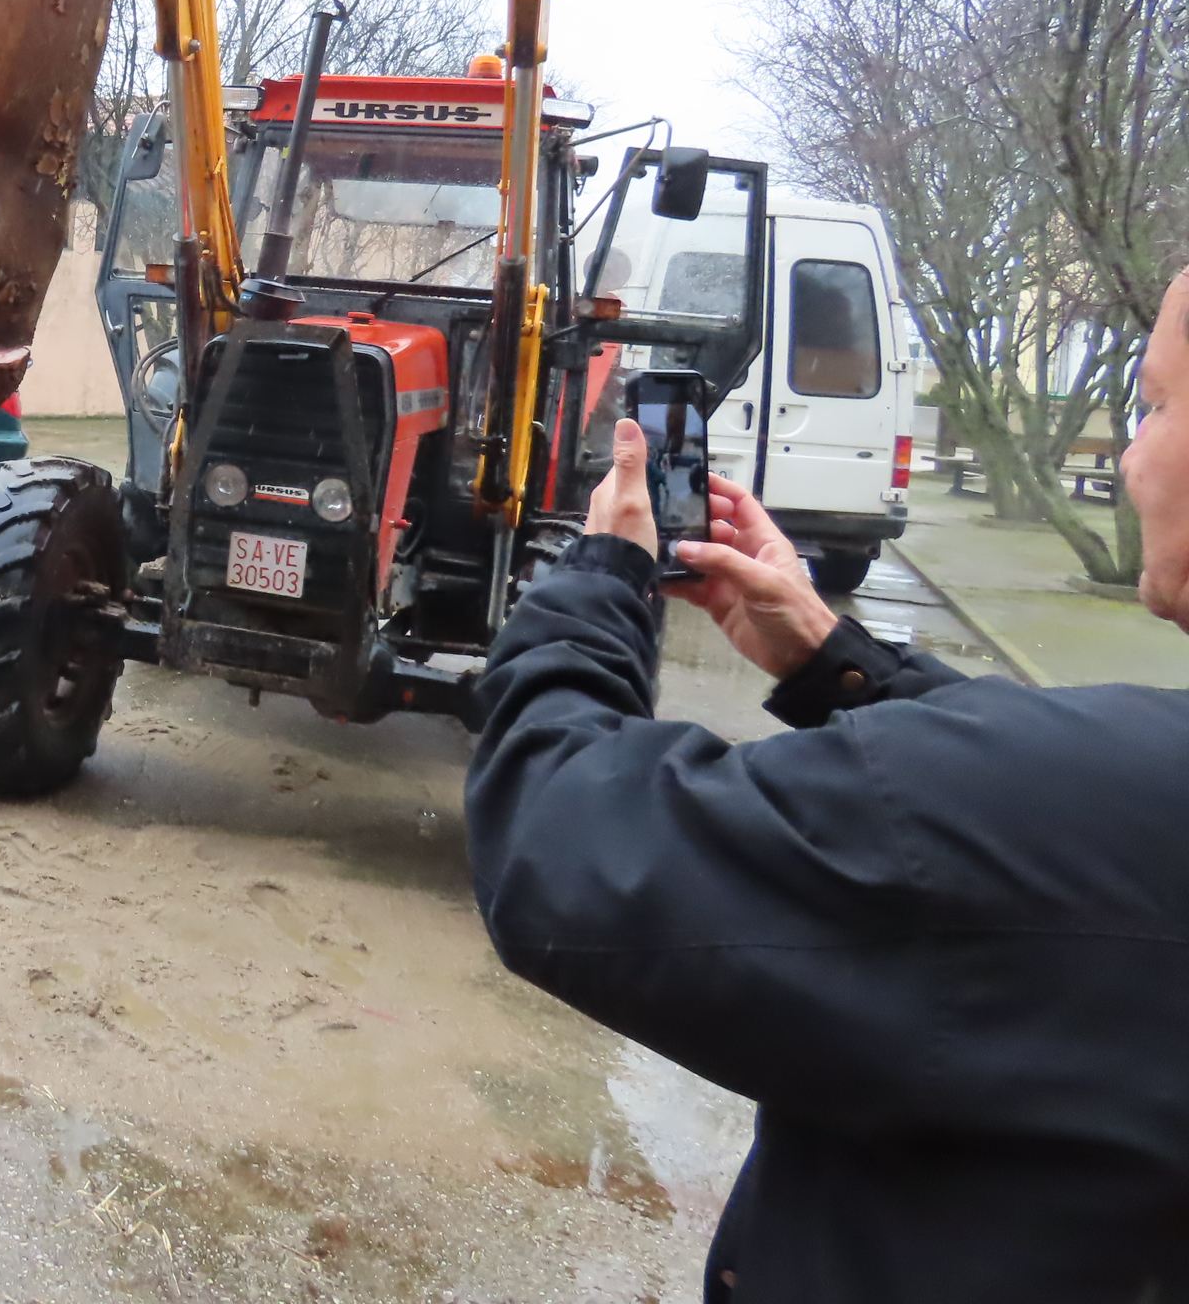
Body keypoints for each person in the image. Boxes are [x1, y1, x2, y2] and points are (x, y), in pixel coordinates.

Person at [463, 268, 1189, 1304]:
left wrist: (596, 581)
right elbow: (1042, 816)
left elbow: (558, 838)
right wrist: (836, 664)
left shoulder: (1087, 806)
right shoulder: (1104, 801)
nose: (1127, 456)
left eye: (1156, 405)